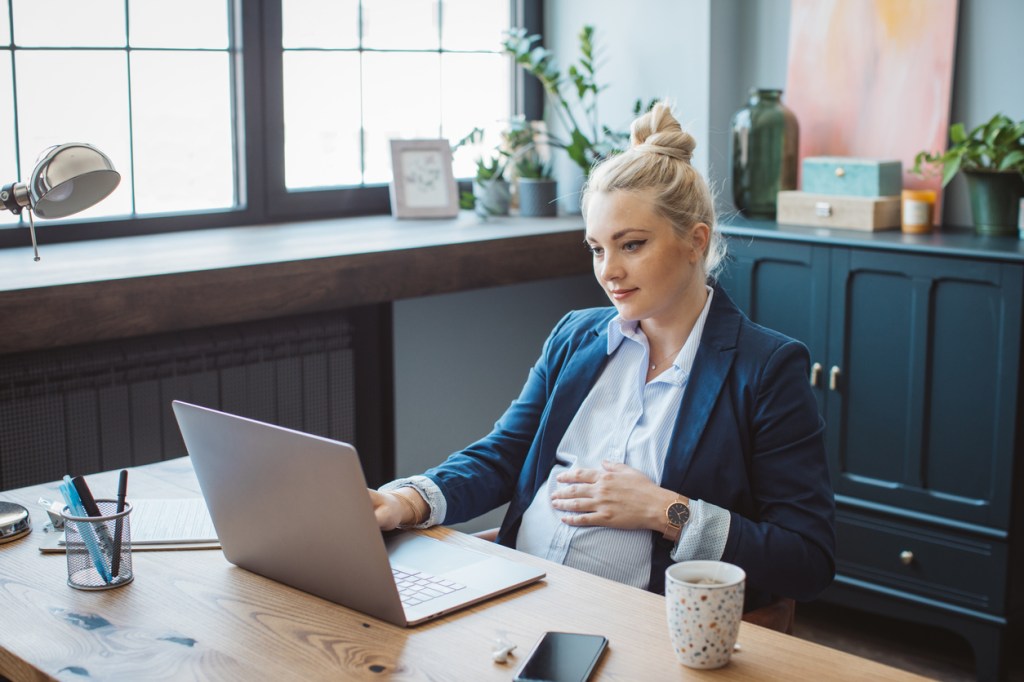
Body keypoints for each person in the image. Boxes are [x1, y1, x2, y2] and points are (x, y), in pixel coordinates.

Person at [370, 101, 835, 609]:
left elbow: (806, 559)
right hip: (514, 596)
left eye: (631, 245)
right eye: (596, 248)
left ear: (695, 242)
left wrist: (666, 511)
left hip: (640, 628)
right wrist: (405, 501)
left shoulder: (766, 369)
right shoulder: (574, 336)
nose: (608, 271)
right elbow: (504, 455)